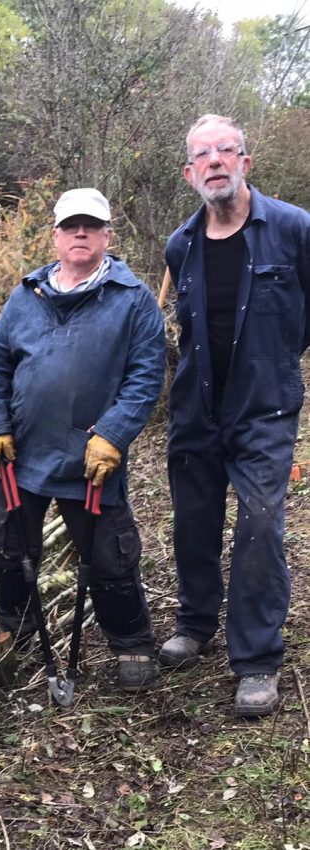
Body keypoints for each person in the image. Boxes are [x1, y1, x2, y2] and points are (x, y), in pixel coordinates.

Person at [0, 188, 166, 692]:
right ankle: (13, 626)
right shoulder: (26, 294)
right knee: (11, 546)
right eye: (71, 226)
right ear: (55, 235)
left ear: (106, 236)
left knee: (110, 555)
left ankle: (131, 641)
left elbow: (146, 377)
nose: (81, 233)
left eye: (91, 226)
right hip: (24, 453)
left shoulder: (132, 299)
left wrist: (114, 435)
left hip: (92, 458)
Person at [161, 114, 310, 717]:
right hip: (196, 408)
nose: (216, 161)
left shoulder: (294, 229)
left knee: (258, 526)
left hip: (263, 410)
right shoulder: (182, 243)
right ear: (191, 173)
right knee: (193, 522)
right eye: (204, 154)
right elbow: (182, 328)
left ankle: (256, 659)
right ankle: (196, 622)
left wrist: (274, 363)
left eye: (228, 151)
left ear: (246, 163)